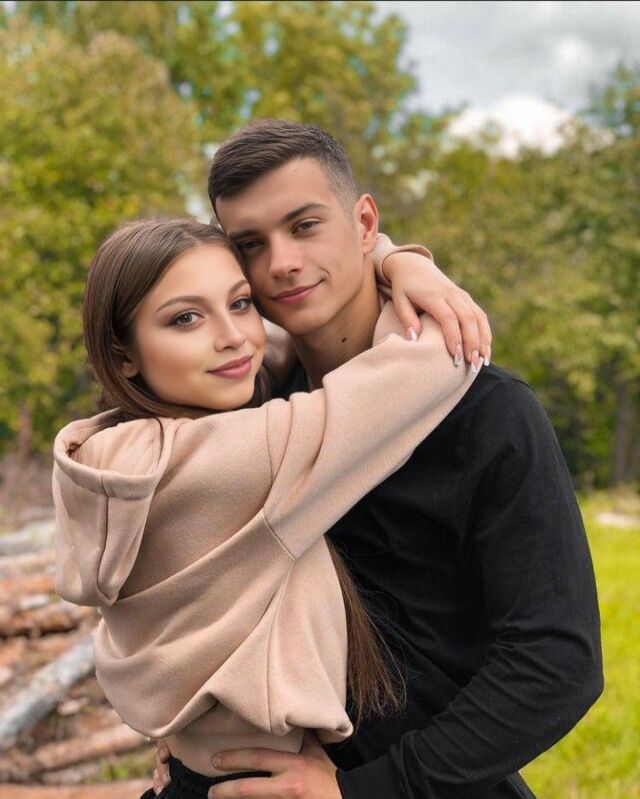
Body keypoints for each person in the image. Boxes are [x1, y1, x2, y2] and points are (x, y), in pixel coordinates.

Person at [156, 119, 603, 799]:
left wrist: (360, 791)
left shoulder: (484, 413)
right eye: (251, 244)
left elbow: (556, 662)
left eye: (305, 225)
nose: (281, 262)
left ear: (365, 222)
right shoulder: (251, 407)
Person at [52, 218, 481, 798]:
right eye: (185, 318)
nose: (233, 337)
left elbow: (278, 343)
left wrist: (388, 260)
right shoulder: (224, 464)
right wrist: (395, 261)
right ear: (122, 355)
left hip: (195, 776)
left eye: (241, 303)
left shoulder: (114, 456)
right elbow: (435, 359)